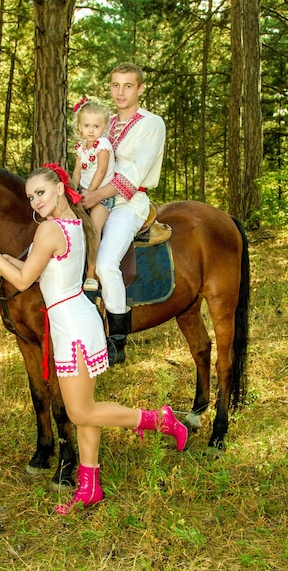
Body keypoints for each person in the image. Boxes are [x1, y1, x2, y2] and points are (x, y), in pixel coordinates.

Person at [0, 163, 187, 516]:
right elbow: (47, 270)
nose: (35, 202)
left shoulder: (48, 230)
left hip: (72, 325)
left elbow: (25, 280)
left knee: (80, 411)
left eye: (40, 193)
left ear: (58, 188)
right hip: (76, 319)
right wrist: (7, 257)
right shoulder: (71, 224)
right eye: (30, 197)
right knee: (86, 411)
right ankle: (89, 486)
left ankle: (159, 420)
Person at [81, 63, 166, 366]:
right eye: (115, 85)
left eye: (128, 85)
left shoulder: (151, 123)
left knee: (105, 262)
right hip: (94, 199)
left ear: (140, 89)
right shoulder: (104, 124)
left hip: (130, 204)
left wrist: (92, 196)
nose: (120, 92)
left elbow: (131, 176)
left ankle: (117, 341)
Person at [71, 98, 115, 292]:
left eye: (96, 126)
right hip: (84, 194)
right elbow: (77, 172)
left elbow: (101, 171)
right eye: (87, 125)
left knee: (93, 229)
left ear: (104, 127)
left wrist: (92, 192)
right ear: (79, 127)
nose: (91, 130)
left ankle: (91, 273)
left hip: (102, 197)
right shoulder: (81, 148)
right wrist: (72, 191)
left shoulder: (102, 144)